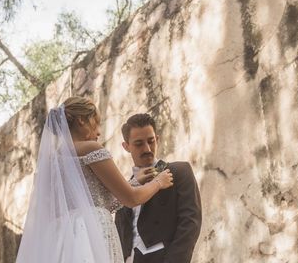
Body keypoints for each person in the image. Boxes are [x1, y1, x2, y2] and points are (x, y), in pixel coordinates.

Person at [16, 97, 174, 263]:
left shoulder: (51, 163)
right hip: (92, 235)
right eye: (96, 122)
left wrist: (135, 181)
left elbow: (100, 203)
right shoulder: (90, 148)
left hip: (63, 240)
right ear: (81, 121)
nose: (99, 131)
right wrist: (158, 182)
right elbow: (131, 199)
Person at [114, 114, 202, 263]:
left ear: (158, 139)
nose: (147, 148)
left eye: (151, 141)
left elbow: (190, 224)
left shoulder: (179, 171)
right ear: (126, 146)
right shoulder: (125, 189)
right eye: (138, 144)